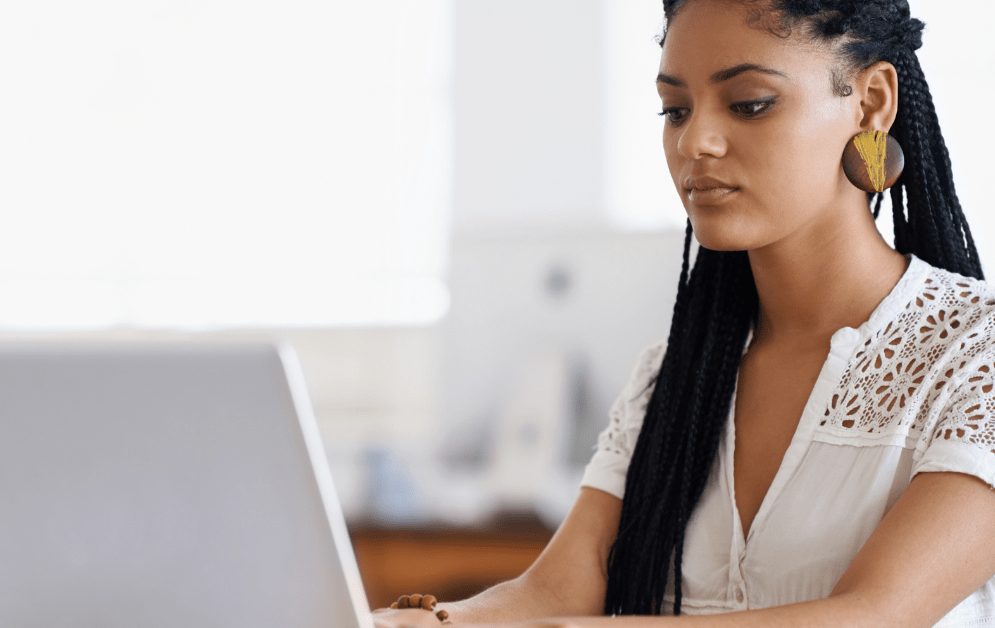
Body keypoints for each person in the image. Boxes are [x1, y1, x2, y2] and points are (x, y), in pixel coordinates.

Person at [372, 0, 995, 626]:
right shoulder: (674, 379)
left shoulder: (976, 354)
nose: (695, 141)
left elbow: (873, 615)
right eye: (676, 109)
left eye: (749, 103)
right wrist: (423, 621)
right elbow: (555, 591)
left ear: (870, 103)